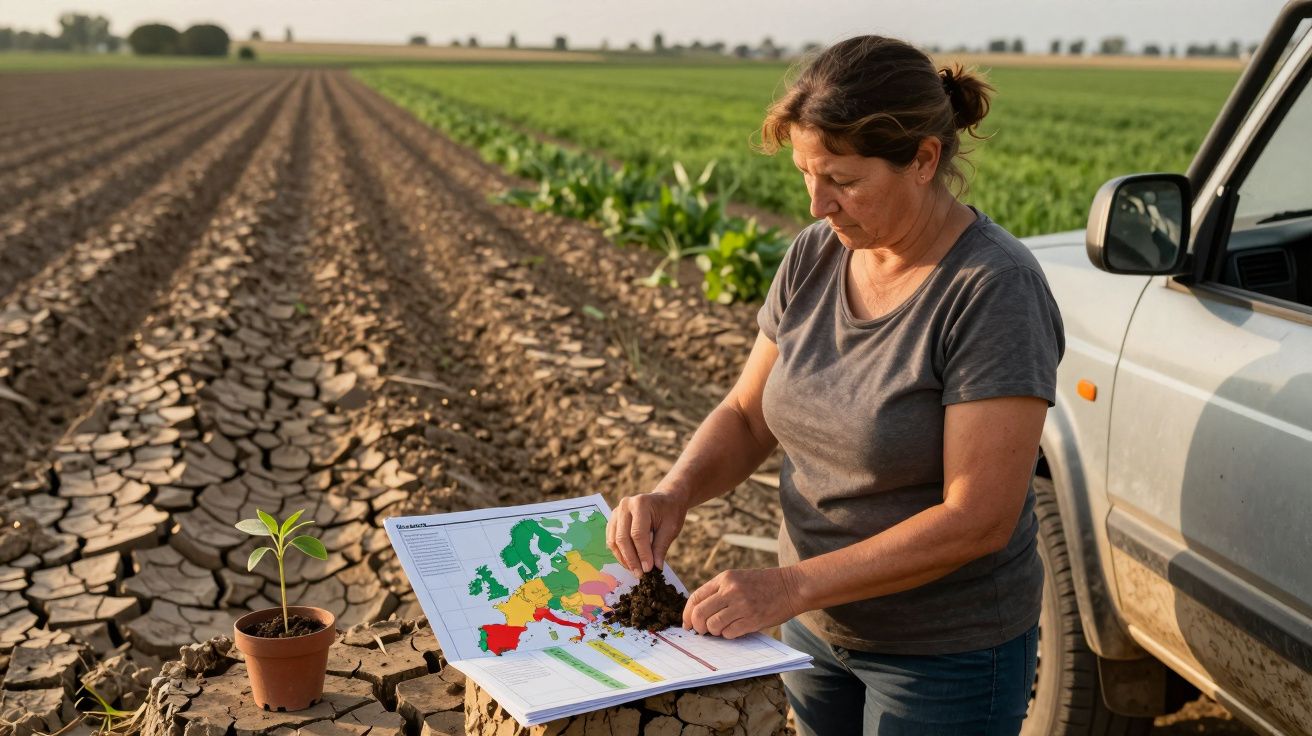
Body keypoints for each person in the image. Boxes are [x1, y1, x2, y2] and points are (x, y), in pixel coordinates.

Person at [606, 35, 1065, 735]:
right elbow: (746, 414)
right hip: (812, 631)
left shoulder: (993, 291)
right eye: (805, 174)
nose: (819, 204)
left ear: (923, 159)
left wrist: (787, 586)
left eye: (844, 181)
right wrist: (675, 490)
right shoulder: (816, 255)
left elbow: (978, 517)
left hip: (942, 658)